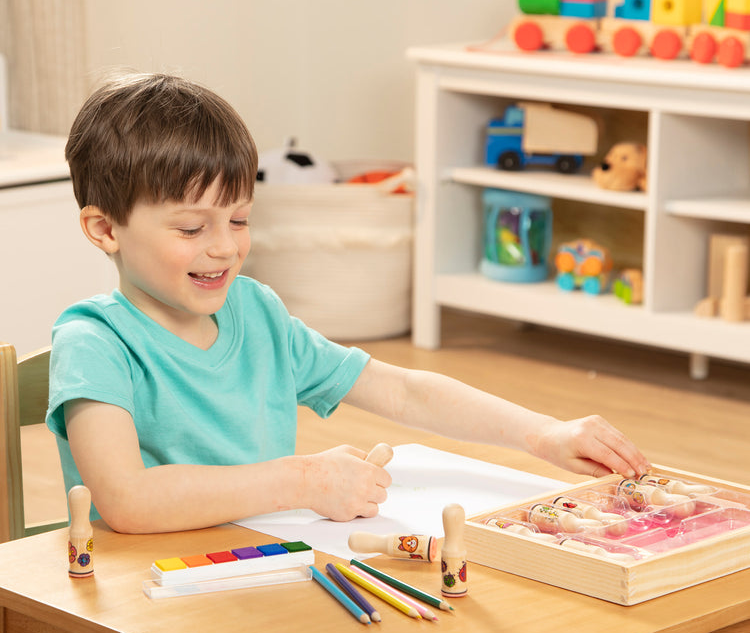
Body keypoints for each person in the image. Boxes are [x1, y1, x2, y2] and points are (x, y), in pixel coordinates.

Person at [47, 71, 649, 534]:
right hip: (144, 604)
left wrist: (542, 433)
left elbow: (403, 390)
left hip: (256, 573)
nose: (226, 248)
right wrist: (303, 478)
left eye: (239, 219)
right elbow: (126, 500)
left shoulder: (256, 314)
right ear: (105, 230)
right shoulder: (93, 343)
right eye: (190, 230)